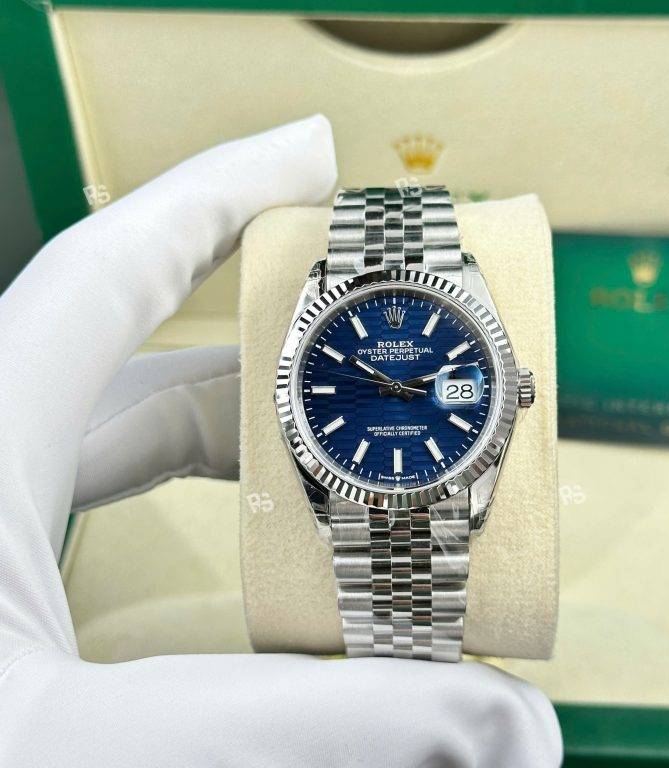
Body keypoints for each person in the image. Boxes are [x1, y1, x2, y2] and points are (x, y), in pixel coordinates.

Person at [0, 115, 562, 767]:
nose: (395, 391)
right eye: (384, 383)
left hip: (411, 475)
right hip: (369, 482)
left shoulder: (455, 313)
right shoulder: (354, 331)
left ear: (514, 390)